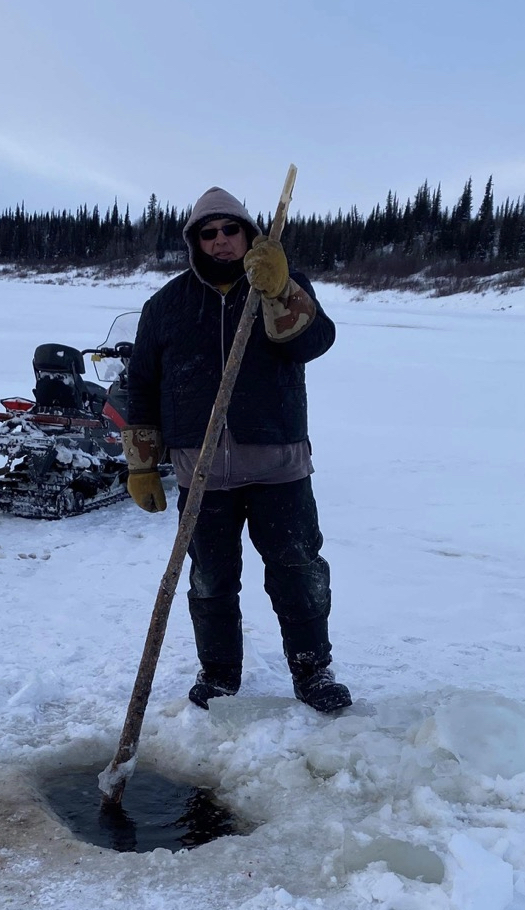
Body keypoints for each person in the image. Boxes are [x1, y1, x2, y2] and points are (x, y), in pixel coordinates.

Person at [123, 185, 351, 713]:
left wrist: (278, 290)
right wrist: (140, 465)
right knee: (209, 579)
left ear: (249, 233)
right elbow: (142, 387)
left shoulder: (281, 286)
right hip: (201, 474)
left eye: (231, 230)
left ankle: (313, 671)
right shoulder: (165, 307)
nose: (221, 241)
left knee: (297, 569)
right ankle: (220, 674)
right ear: (194, 241)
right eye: (209, 233)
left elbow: (313, 343)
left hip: (278, 466)